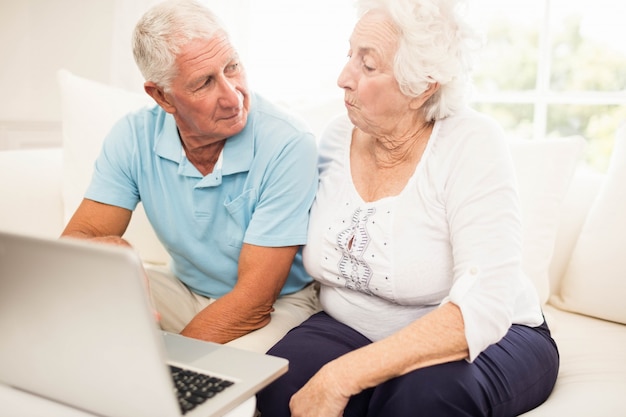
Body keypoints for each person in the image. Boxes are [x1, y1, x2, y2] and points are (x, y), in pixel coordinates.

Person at [256, 0, 559, 415]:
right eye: (349, 56)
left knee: (422, 399)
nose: (343, 78)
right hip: (350, 325)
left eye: (368, 65)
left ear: (423, 86)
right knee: (277, 384)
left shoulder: (471, 143)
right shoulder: (337, 134)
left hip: (489, 335)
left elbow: (485, 303)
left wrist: (343, 376)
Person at [61, 0, 320, 354]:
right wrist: (109, 252)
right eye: (204, 83)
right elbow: (77, 242)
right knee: (83, 300)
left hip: (278, 305)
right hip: (183, 290)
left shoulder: (289, 143)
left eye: (232, 67)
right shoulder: (133, 136)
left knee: (198, 378)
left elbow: (254, 301)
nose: (233, 98)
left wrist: (169, 364)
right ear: (162, 96)